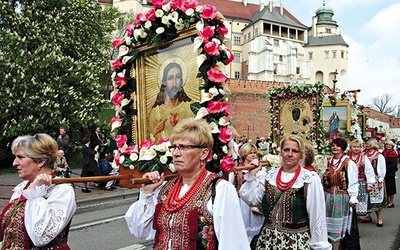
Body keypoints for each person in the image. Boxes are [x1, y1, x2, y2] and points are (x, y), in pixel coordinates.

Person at [125, 118, 250, 249]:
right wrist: (146, 193)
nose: (176, 153)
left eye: (184, 147)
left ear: (203, 153)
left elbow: (233, 243)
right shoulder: (166, 189)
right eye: (174, 147)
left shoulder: (220, 189)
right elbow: (141, 231)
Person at [240, 134, 331, 249]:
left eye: (295, 151)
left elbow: (317, 216)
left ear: (301, 155)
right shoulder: (270, 175)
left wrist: (319, 245)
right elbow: (253, 200)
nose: (289, 154)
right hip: (268, 241)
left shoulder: (309, 179)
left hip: (295, 242)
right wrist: (252, 175)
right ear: (281, 152)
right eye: (286, 150)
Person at [0, 133, 76, 249]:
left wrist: (36, 193)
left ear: (40, 161)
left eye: (20, 157)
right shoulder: (22, 188)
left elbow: (40, 238)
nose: (14, 163)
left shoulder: (62, 191)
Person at [321, 138, 359, 247]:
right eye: (333, 145)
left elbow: (353, 181)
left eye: (337, 146)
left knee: (339, 227)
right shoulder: (327, 161)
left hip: (341, 198)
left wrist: (353, 197)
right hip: (327, 196)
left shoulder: (348, 163)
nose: (334, 147)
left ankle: (338, 245)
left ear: (342, 148)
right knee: (327, 225)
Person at [228, 143, 265, 243]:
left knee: (255, 229)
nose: (253, 155)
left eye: (254, 153)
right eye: (250, 153)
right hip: (240, 203)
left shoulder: (261, 168)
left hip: (254, 203)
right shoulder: (237, 168)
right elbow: (230, 185)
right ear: (244, 154)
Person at [149, 62, 193, 141]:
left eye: (178, 77)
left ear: (181, 81)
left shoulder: (190, 107)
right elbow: (147, 144)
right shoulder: (156, 113)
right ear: (165, 82)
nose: (175, 83)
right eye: (170, 78)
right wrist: (155, 132)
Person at [347, 139, 375, 218]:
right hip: (348, 184)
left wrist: (370, 184)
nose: (356, 148)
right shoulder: (346, 157)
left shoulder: (363, 158)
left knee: (359, 209)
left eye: (358, 147)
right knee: (349, 206)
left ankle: (358, 228)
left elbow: (369, 171)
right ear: (350, 148)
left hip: (361, 184)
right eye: (354, 147)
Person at [362, 139, 386, 226]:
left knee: (376, 200)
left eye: (368, 144)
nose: (366, 145)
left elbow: (382, 169)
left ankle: (379, 218)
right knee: (367, 199)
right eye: (366, 144)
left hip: (375, 179)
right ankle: (367, 215)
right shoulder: (364, 154)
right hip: (365, 179)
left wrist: (380, 181)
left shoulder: (379, 156)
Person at [382, 140, 398, 208]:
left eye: (389, 145)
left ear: (392, 146)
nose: (388, 146)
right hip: (384, 173)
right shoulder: (383, 152)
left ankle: (391, 202)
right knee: (385, 187)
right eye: (387, 144)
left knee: (391, 188)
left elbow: (394, 165)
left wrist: (386, 168)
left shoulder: (394, 153)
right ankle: (387, 201)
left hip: (390, 173)